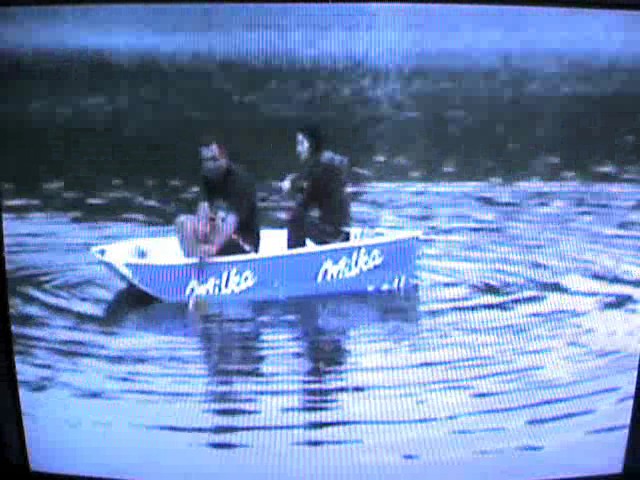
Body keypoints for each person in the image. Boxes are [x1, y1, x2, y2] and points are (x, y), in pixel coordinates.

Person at [175, 140, 260, 258]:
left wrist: (213, 245)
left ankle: (206, 255)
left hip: (242, 239)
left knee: (221, 217)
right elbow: (203, 206)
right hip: (218, 229)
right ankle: (194, 260)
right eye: (206, 161)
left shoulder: (241, 180)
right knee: (182, 222)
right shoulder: (207, 177)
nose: (209, 165)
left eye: (214, 160)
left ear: (224, 159)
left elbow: (232, 220)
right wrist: (201, 226)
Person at [284, 125, 351, 249]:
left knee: (294, 218)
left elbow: (305, 203)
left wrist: (291, 188)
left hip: (334, 233)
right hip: (340, 227)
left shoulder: (318, 168)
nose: (298, 149)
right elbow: (317, 192)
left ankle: (295, 257)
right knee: (299, 216)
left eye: (301, 144)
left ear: (311, 144)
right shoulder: (325, 164)